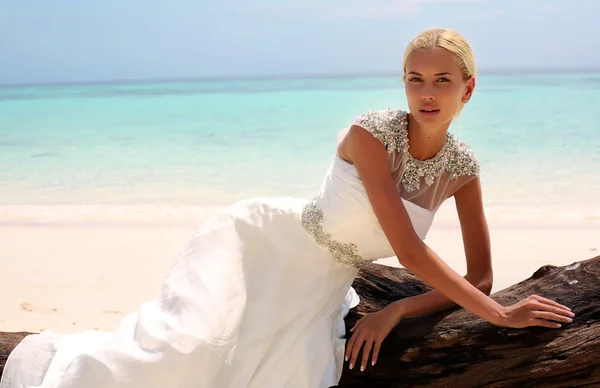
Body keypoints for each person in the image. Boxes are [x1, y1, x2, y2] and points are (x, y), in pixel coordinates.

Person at [0, 27, 574, 388]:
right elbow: (408, 249)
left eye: (442, 81)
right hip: (262, 245)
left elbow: (480, 275)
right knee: (184, 352)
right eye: (414, 79)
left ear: (467, 90)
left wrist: (395, 311)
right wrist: (496, 314)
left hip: (323, 285)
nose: (426, 93)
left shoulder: (462, 169)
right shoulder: (371, 134)